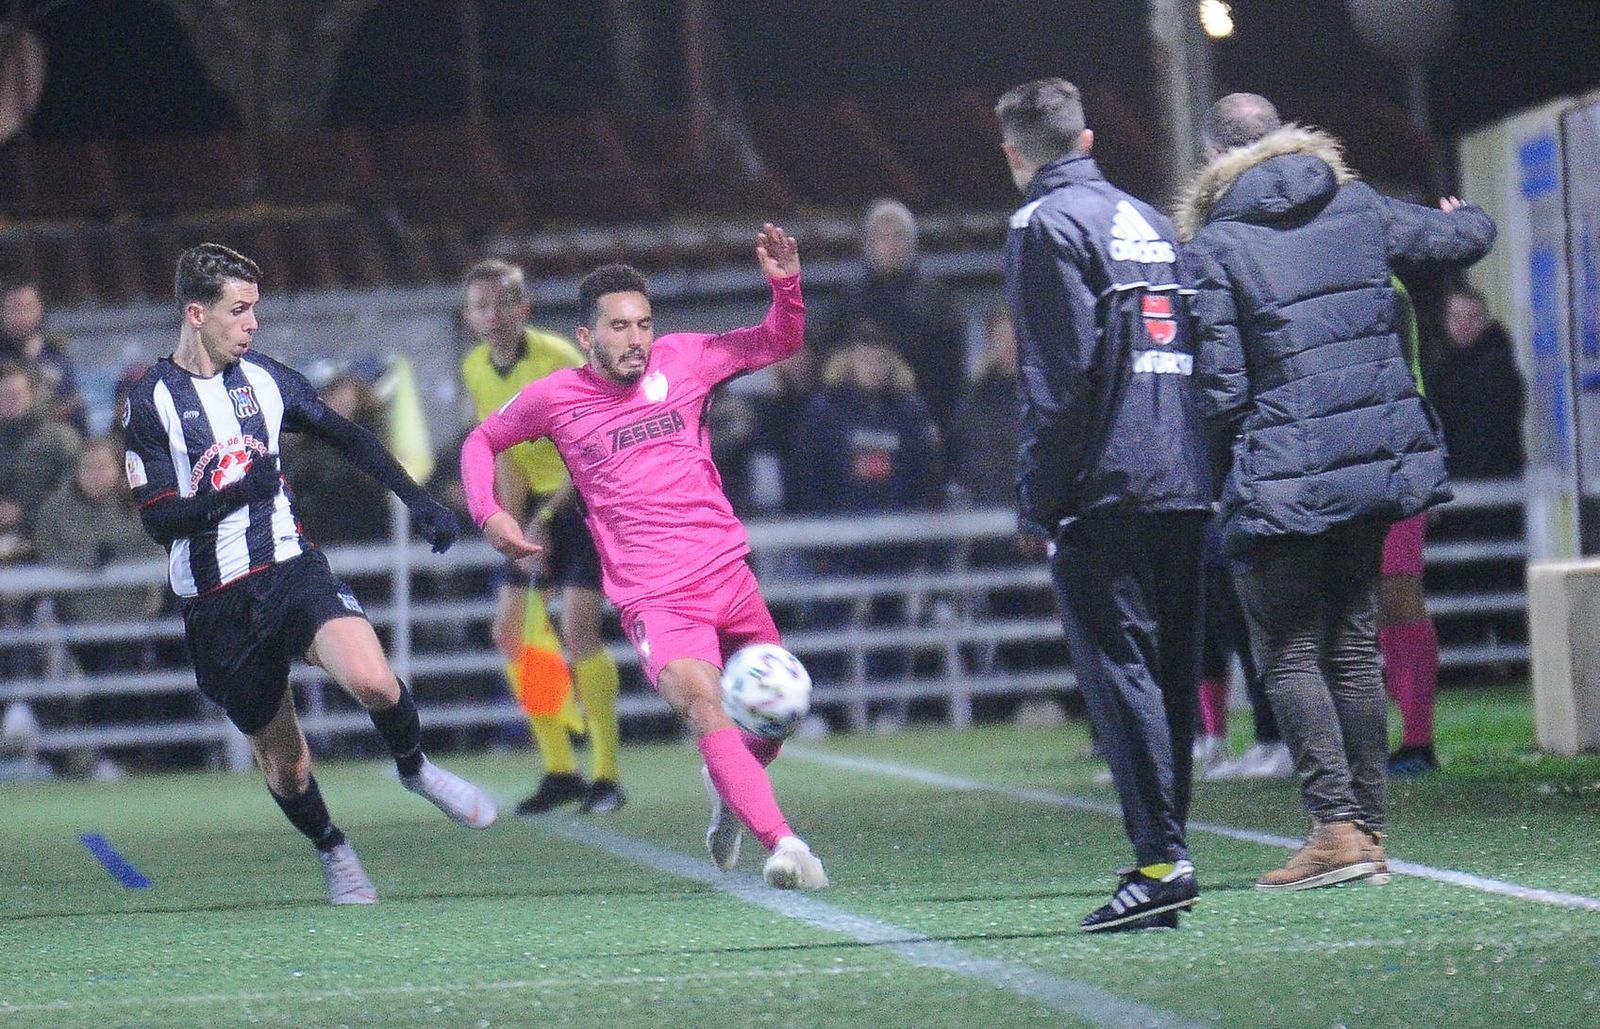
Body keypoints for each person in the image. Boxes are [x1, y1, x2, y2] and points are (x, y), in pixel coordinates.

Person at [1177, 93, 1495, 891]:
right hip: (1370, 462)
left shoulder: (1214, 245)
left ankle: (1333, 829)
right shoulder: (1353, 204)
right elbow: (1462, 237)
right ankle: (1371, 830)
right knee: (1353, 645)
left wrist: (1223, 474)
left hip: (1281, 467)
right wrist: (1470, 213)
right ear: (1284, 135)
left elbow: (1219, 389)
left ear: (1212, 153)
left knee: (1288, 653)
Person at [122, 243, 497, 906]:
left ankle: (416, 768)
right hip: (216, 602)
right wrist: (236, 493)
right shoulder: (150, 402)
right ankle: (334, 849)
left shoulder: (264, 378)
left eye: (254, 310)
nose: (252, 323)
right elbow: (159, 519)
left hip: (290, 565)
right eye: (239, 310)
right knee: (288, 764)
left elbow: (345, 435)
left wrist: (419, 500)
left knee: (373, 679)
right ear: (196, 313)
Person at [462, 224, 828, 890]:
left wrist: (785, 286)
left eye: (643, 324)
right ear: (586, 337)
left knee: (776, 714)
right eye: (620, 326)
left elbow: (780, 339)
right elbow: (481, 440)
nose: (636, 338)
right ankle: (782, 842)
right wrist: (490, 515)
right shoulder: (544, 389)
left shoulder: (683, 359)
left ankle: (715, 783)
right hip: (648, 588)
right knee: (674, 694)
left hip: (725, 571)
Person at [996, 78, 1214, 932]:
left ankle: (1160, 860)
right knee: (1169, 676)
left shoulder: (1040, 225)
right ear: (1085, 138)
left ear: (1015, 152)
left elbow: (1058, 380)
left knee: (1121, 674)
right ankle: (1171, 854)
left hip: (1107, 482)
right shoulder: (1155, 223)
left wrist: (1038, 500)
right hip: (1182, 471)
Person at [459, 258, 626, 816]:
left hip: (585, 500)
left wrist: (545, 519)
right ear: (469, 315)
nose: (491, 315)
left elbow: (592, 447)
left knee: (578, 631)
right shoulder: (477, 368)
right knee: (514, 633)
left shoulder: (556, 359)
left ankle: (606, 776)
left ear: (522, 309)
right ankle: (560, 767)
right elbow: (505, 450)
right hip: (536, 512)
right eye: (480, 305)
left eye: (501, 303)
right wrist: (510, 522)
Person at [816, 199, 966, 445]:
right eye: (882, 238)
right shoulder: (848, 301)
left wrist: (940, 422)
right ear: (869, 244)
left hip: (921, 424)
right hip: (859, 428)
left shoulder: (938, 300)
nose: (890, 246)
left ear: (912, 243)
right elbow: (832, 364)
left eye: (898, 237)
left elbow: (952, 373)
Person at [1428, 284, 1525, 480]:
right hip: (1458, 483)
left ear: (1485, 321)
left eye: (1472, 317)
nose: (1464, 325)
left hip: (1496, 482)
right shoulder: (1438, 368)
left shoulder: (1499, 369)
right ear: (1445, 321)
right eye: (1456, 318)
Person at [0, 276, 87, 434]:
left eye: (27, 307)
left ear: (40, 308)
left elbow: (75, 409)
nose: (22, 316)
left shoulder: (57, 356)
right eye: (13, 309)